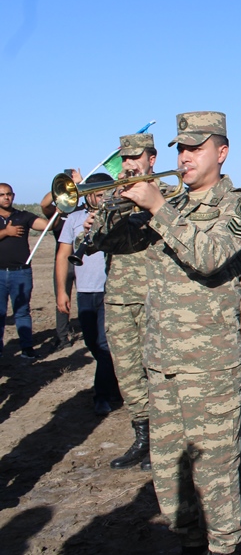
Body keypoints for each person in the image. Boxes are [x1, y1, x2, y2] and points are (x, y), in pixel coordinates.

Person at [97, 112, 241, 555]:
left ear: (221, 153)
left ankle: (224, 548)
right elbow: (113, 245)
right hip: (161, 358)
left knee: (214, 468)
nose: (185, 158)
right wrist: (110, 205)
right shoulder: (172, 204)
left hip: (209, 365)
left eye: (195, 149)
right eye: (181, 149)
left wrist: (157, 208)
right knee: (169, 470)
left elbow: (210, 256)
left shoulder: (237, 205)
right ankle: (189, 540)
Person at [85, 134, 161, 469]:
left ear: (151, 160)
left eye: (135, 157)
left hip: (152, 296)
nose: (129, 164)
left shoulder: (167, 194)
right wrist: (99, 217)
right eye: (125, 158)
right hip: (118, 297)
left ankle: (162, 441)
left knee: (155, 373)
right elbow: (91, 242)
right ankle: (142, 436)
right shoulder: (113, 197)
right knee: (127, 372)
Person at [56, 174, 121, 415]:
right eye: (98, 194)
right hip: (85, 291)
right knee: (92, 343)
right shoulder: (74, 218)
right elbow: (63, 256)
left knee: (104, 345)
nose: (101, 198)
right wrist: (62, 291)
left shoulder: (117, 216)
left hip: (109, 290)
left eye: (106, 193)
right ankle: (113, 384)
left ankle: (101, 396)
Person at [0, 182, 49, 359]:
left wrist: (58, 211)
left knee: (22, 311)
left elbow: (47, 225)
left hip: (21, 273)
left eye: (9, 194)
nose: (6, 197)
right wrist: (6, 232)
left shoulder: (23, 216)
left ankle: (27, 348)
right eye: (2, 195)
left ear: (13, 196)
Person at [40, 175, 81, 352]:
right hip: (63, 262)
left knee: (88, 297)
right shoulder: (58, 214)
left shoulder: (82, 211)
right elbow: (44, 204)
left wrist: (80, 185)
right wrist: (67, 186)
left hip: (82, 262)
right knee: (62, 299)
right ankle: (63, 337)